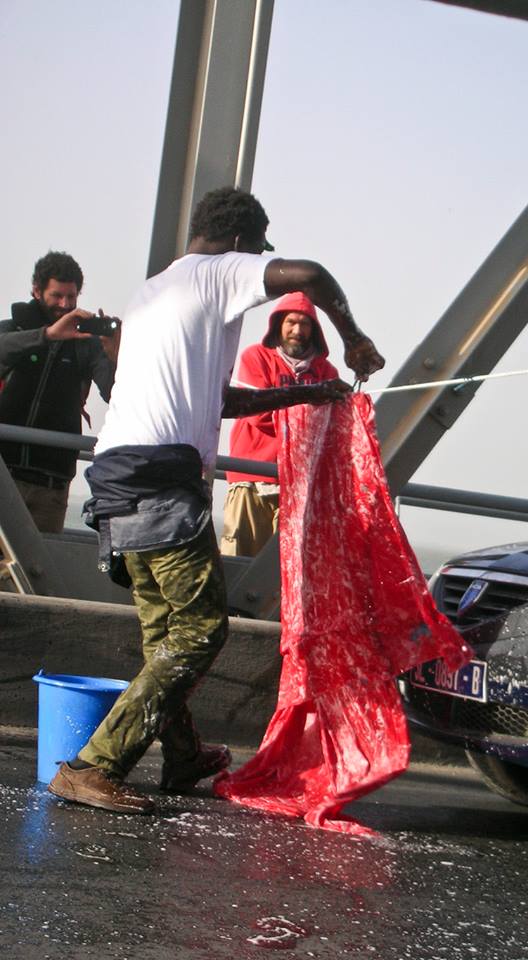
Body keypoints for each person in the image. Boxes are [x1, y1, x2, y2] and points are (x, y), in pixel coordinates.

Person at [47, 185, 384, 814]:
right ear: (238, 242)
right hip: (159, 480)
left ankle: (183, 755)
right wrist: (356, 338)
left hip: (116, 476)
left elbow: (220, 402)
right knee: (201, 630)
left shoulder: (154, 291)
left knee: (165, 632)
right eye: (257, 250)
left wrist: (307, 395)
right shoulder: (218, 272)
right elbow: (309, 274)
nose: (259, 265)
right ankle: (94, 765)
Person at [0, 251, 119, 533]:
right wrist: (48, 336)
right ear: (37, 291)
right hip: (4, 475)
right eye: (57, 296)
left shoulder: (87, 344)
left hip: (51, 485)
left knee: (39, 574)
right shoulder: (12, 330)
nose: (65, 305)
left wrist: (114, 356)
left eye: (71, 297)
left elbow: (114, 396)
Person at [221, 291, 340, 558]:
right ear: (278, 324)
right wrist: (309, 410)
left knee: (291, 570)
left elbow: (333, 426)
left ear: (314, 329)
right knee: (238, 562)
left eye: (305, 323)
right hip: (251, 479)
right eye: (291, 322)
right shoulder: (256, 358)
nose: (297, 330)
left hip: (300, 486)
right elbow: (256, 413)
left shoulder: (327, 373)